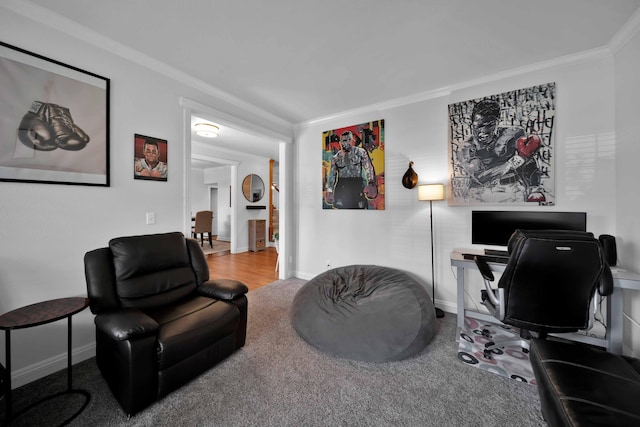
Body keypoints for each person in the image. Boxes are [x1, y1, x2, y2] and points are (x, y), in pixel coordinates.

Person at [456, 99, 543, 203]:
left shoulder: (513, 134)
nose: (483, 131)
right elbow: (481, 177)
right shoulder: (466, 147)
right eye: (478, 126)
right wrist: (515, 161)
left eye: (489, 125)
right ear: (472, 124)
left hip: (512, 189)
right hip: (478, 193)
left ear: (498, 121)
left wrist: (534, 188)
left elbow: (528, 163)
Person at [325, 130, 377, 209]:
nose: (346, 143)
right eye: (344, 140)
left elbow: (368, 167)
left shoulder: (360, 152)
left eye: (349, 140)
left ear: (353, 140)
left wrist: (371, 182)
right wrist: (330, 190)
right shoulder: (336, 157)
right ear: (340, 142)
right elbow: (332, 175)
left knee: (360, 209)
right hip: (342, 186)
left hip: (357, 185)